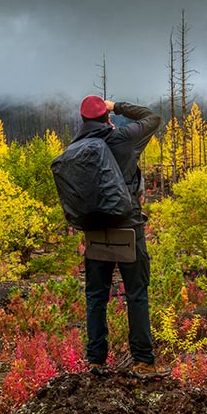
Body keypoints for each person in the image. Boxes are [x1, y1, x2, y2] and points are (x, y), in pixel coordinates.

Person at [75, 95, 162, 377]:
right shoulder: (123, 139)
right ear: (106, 117)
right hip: (128, 226)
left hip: (95, 229)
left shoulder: (77, 147)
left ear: (83, 120)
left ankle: (96, 361)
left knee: (96, 295)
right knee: (136, 293)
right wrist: (117, 106)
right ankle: (143, 361)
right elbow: (152, 117)